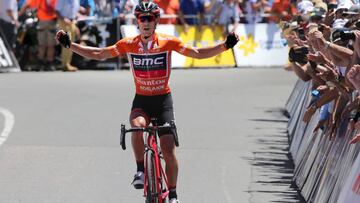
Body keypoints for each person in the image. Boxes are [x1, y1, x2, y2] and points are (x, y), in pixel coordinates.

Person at [55, 1, 238, 202]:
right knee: (137, 127)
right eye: (142, 18)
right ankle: (140, 170)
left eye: (150, 18)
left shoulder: (168, 42)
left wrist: (225, 45)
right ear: (138, 21)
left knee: (168, 149)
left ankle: (173, 193)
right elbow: (99, 54)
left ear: (157, 20)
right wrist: (69, 45)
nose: (146, 22)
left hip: (163, 101)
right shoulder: (128, 44)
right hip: (142, 100)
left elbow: (198, 53)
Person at [19, 0, 58, 71]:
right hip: (42, 23)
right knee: (41, 44)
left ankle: (49, 62)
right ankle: (40, 62)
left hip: (52, 23)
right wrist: (19, 14)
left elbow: (59, 9)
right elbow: (27, 5)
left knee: (50, 45)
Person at [55, 0, 81, 71]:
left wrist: (76, 18)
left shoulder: (76, 1)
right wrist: (64, 19)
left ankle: (67, 63)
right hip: (63, 22)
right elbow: (57, 11)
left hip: (72, 22)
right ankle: (64, 64)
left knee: (71, 44)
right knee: (66, 43)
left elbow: (76, 11)